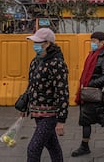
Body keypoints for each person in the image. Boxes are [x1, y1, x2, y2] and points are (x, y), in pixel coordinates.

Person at [25, 28, 69, 162]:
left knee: (33, 149)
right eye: (34, 42)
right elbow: (31, 85)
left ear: (47, 44)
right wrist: (25, 105)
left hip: (50, 114)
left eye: (38, 42)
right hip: (37, 112)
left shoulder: (57, 64)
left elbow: (63, 92)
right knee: (53, 146)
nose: (34, 45)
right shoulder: (35, 61)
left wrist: (61, 120)